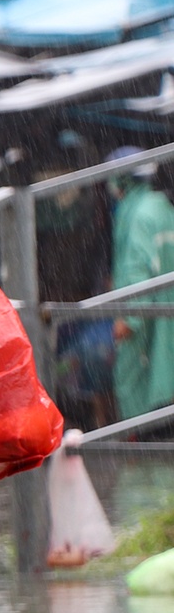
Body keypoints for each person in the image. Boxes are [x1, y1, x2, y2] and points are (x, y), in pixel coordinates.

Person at [108, 147, 174, 420]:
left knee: (138, 392)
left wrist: (129, 319)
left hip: (146, 320)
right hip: (164, 314)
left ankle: (143, 448)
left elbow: (137, 270)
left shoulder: (136, 215)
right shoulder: (161, 206)